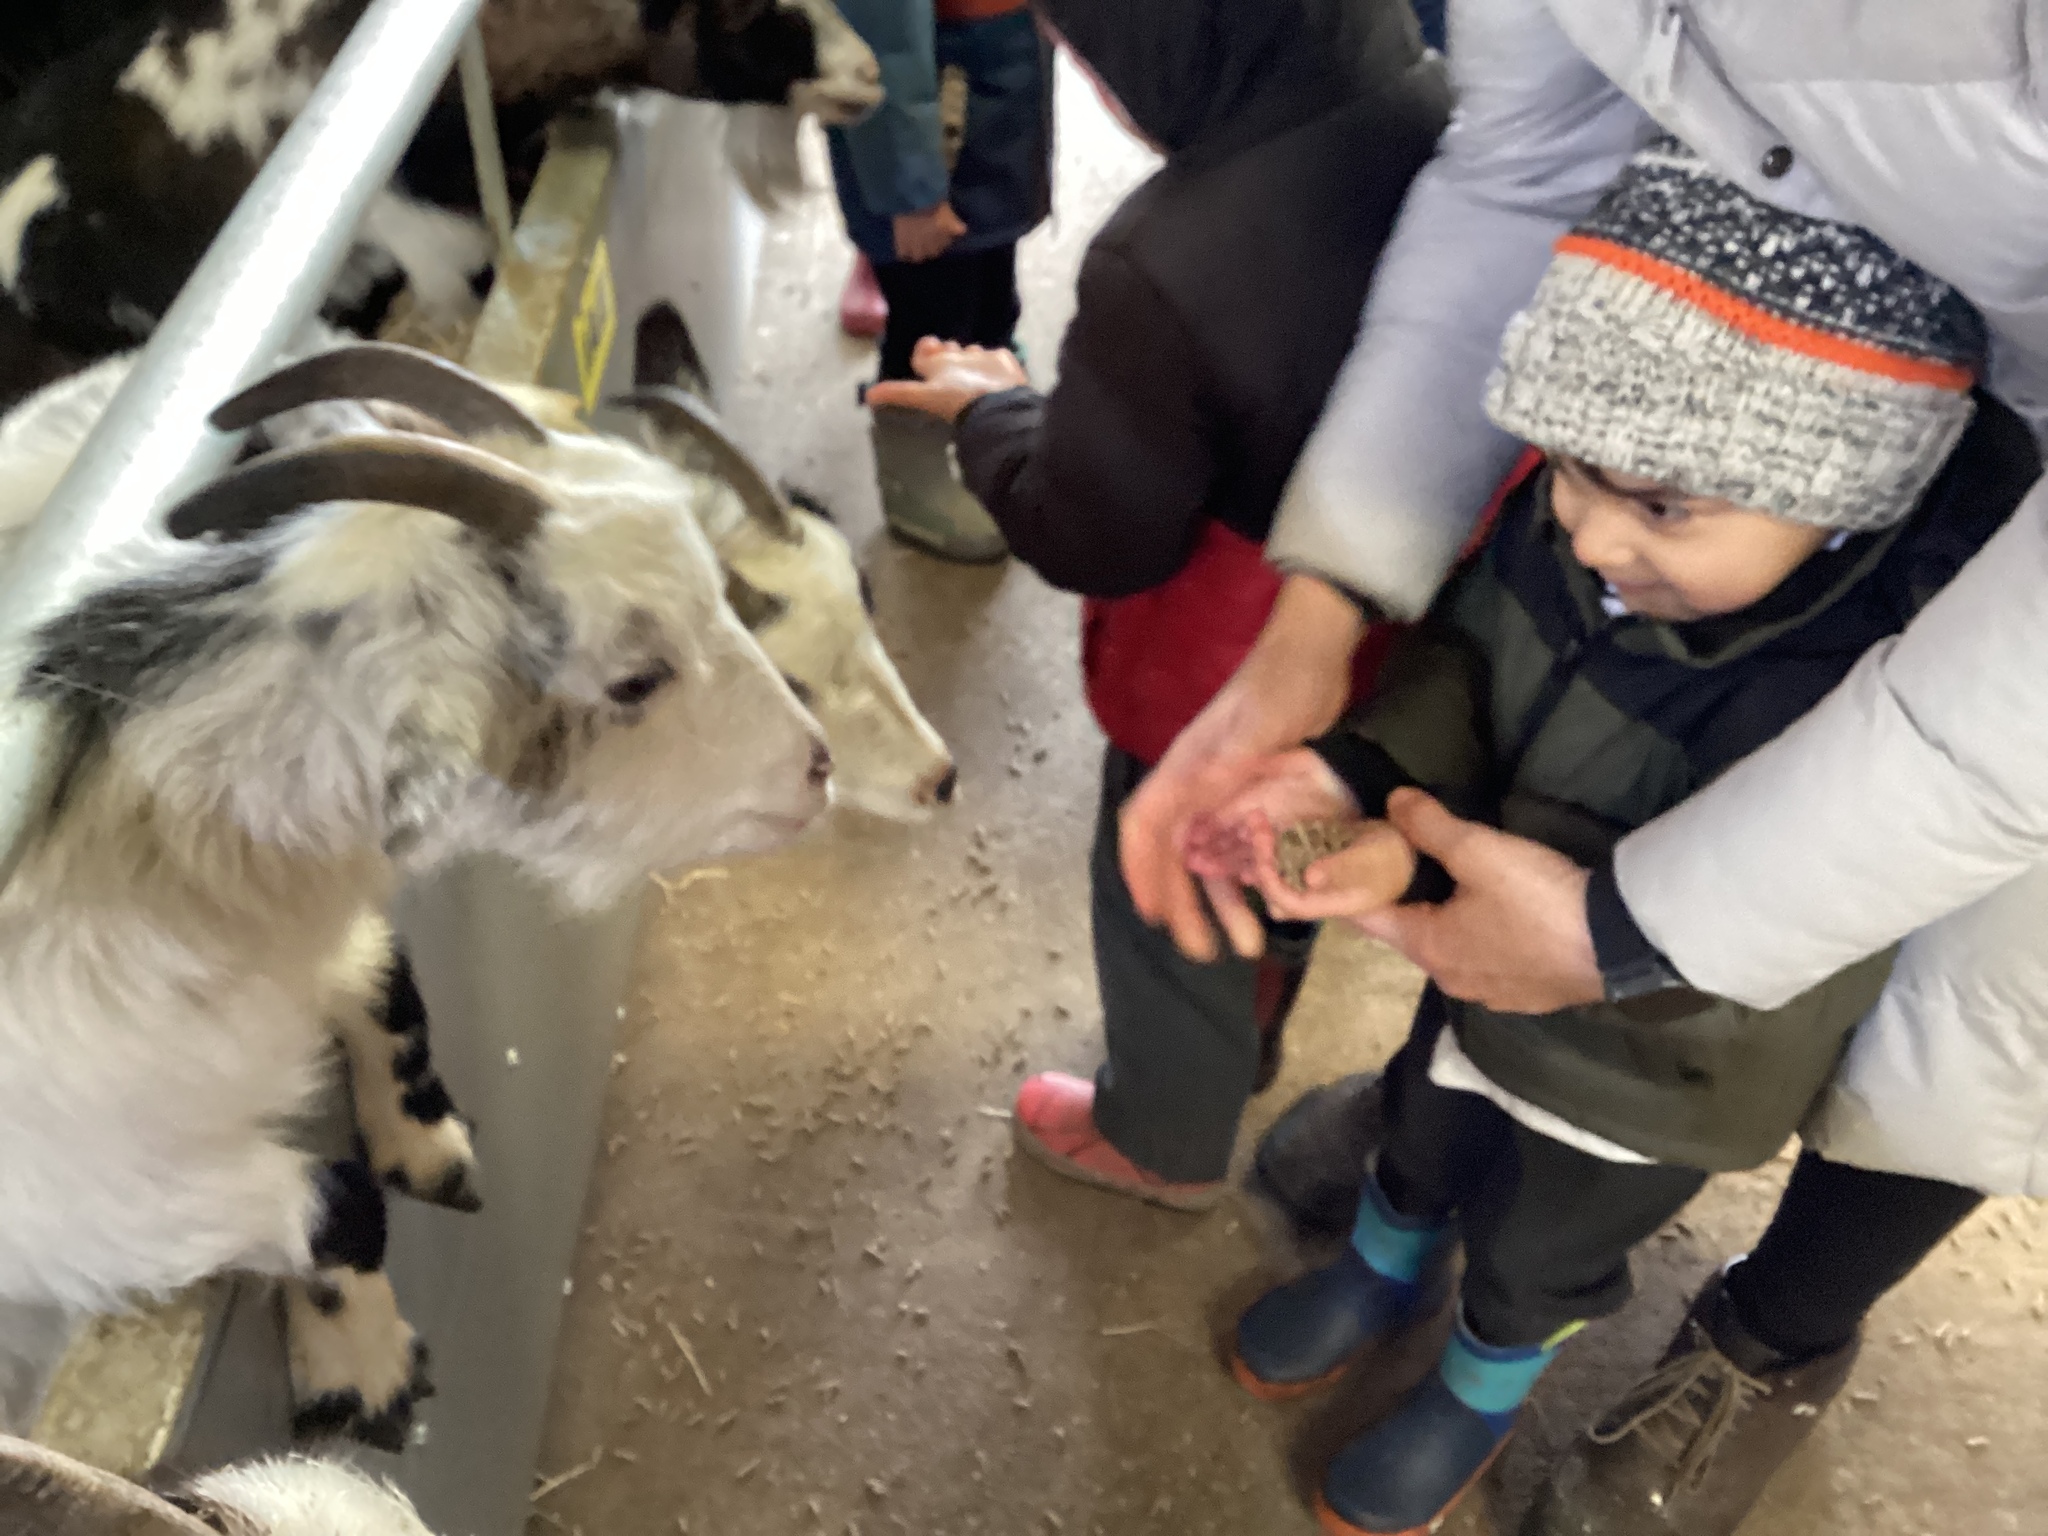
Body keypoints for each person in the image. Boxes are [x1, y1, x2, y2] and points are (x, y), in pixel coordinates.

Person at [1184, 141, 2042, 1536]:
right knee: (1422, 1125)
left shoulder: (1863, 701)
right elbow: (1467, 666)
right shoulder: (1572, 540)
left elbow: (1793, 913)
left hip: (1651, 1074)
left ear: (1849, 498)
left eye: (1662, 506)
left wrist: (1590, 927)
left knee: (1548, 1239)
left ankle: (1480, 1380)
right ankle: (1384, 1264)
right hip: (1478, 976)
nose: (1588, 535)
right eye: (1571, 470)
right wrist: (1373, 795)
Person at [865, 0, 1449, 1208]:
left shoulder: (1165, 259)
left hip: (1222, 659)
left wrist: (995, 417)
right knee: (1315, 815)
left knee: (1173, 868)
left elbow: (1098, 534)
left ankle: (1160, 1132)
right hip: (1414, 611)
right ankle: (1264, 994)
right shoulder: (1461, 123)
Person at [827, 0, 1052, 563]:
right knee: (929, 318)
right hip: (934, 115)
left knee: (991, 289)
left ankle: (989, 400)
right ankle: (913, 475)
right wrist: (909, 187)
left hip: (996, 77)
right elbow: (880, 38)